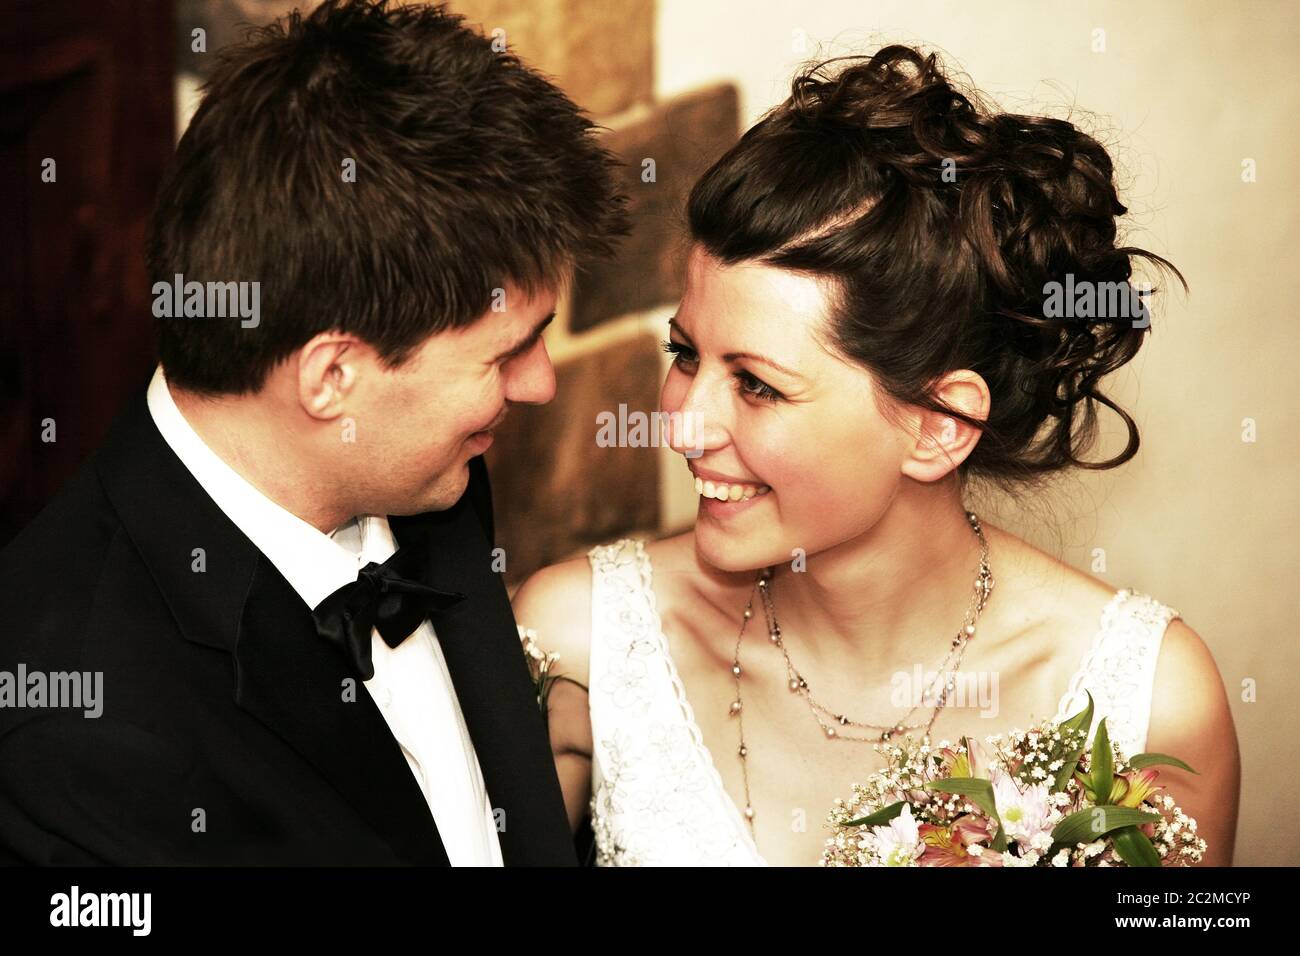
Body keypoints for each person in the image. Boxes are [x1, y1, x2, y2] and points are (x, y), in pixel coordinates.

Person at [513, 45, 1240, 866]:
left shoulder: (1147, 705)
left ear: (937, 425)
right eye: (685, 354)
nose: (681, 424)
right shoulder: (581, 641)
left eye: (755, 384)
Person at [0, 0, 627, 865]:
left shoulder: (424, 462)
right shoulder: (70, 734)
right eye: (509, 351)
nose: (541, 384)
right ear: (333, 378)